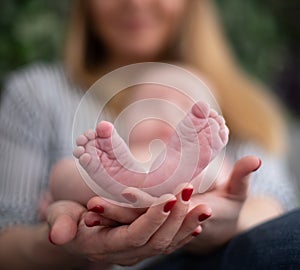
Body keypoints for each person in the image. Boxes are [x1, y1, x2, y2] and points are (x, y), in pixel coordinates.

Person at [0, 1, 298, 270]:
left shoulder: (230, 130)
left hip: (191, 244)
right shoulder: (40, 92)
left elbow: (275, 209)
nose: (136, 3)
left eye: (183, 104)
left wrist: (228, 214)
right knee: (65, 172)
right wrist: (64, 237)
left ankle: (151, 179)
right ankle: (114, 177)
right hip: (107, 198)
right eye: (152, 101)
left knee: (211, 173)